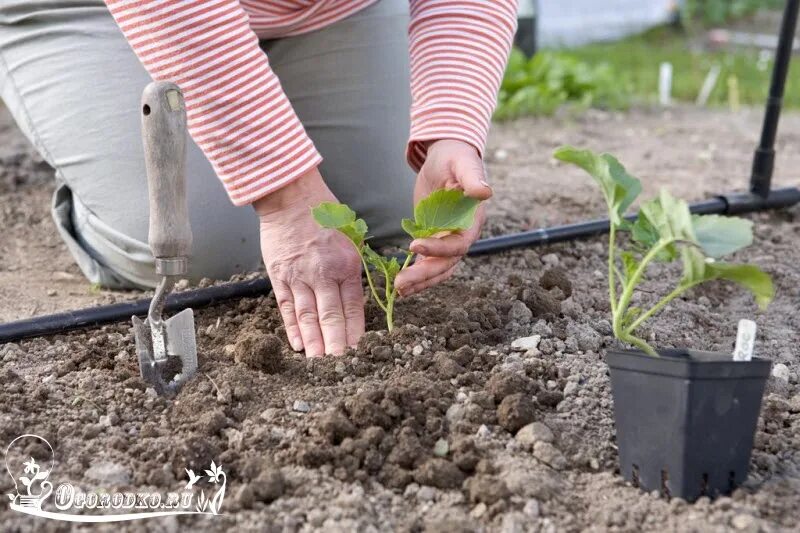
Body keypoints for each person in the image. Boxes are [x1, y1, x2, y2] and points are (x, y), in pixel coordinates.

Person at [0, 0, 517, 356]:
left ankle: (250, 93)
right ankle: (96, 174)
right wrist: (284, 194)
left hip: (326, 13)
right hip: (109, 10)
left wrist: (451, 127)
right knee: (202, 247)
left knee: (401, 211)